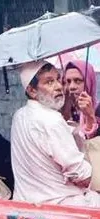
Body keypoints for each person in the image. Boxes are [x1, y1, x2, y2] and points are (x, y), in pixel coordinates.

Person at [11, 60, 100, 207]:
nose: (59, 86)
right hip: (61, 202)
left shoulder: (19, 115)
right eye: (49, 82)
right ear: (32, 91)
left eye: (58, 79)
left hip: (26, 201)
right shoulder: (52, 119)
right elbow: (80, 174)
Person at [60, 57, 98, 138]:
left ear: (89, 81)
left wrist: (90, 116)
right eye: (68, 81)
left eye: (77, 81)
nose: (72, 87)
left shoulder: (98, 109)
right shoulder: (64, 105)